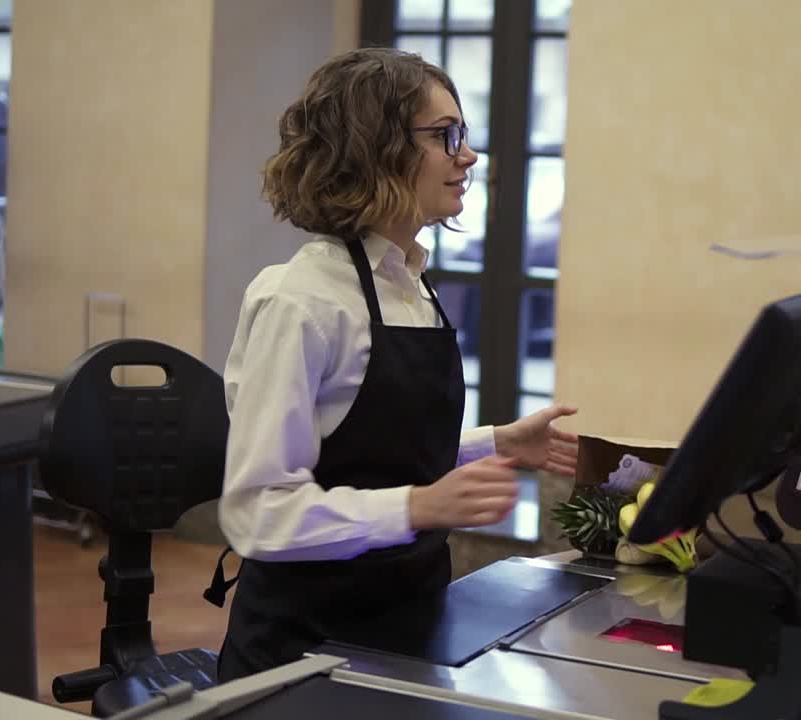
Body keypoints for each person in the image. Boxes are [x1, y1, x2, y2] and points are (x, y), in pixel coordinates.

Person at [210, 48, 580, 681]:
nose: (467, 156)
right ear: (375, 146)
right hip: (302, 653)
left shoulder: (410, 283)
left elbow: (371, 448)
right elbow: (258, 512)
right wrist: (416, 507)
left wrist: (497, 441)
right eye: (446, 136)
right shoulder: (301, 301)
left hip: (408, 624)